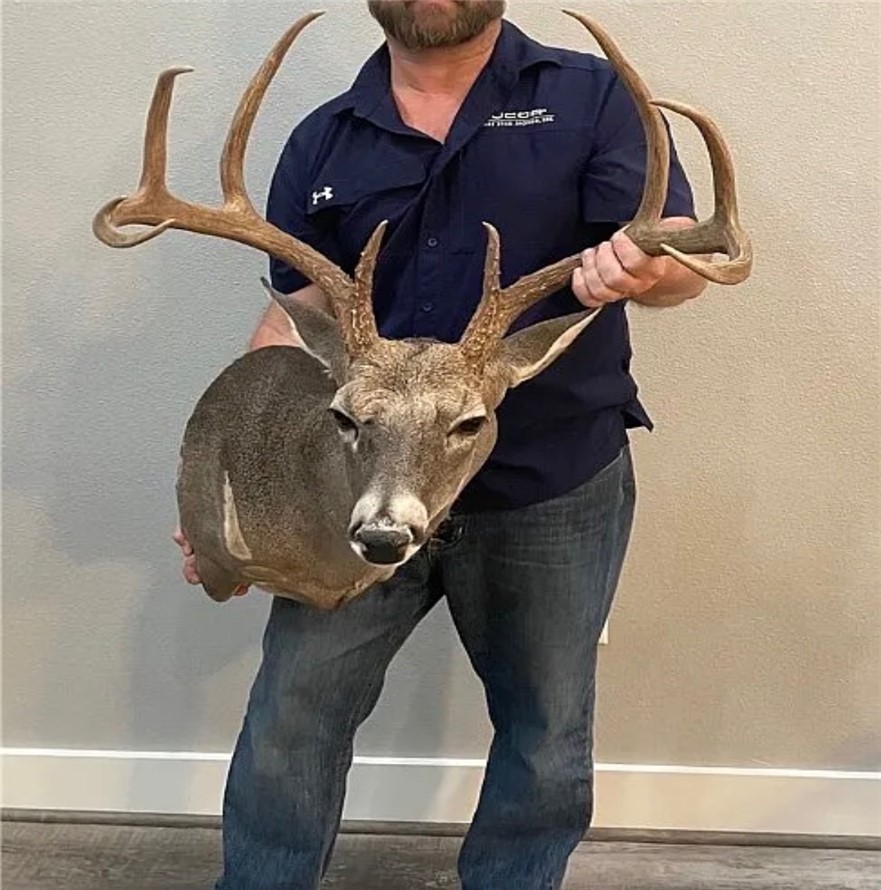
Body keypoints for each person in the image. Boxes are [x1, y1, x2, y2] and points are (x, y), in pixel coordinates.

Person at [175, 2, 707, 887]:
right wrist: (226, 486)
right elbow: (296, 319)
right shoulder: (324, 140)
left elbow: (679, 258)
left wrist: (654, 265)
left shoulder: (592, 99)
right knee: (293, 716)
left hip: (547, 482)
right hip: (356, 488)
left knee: (543, 729)